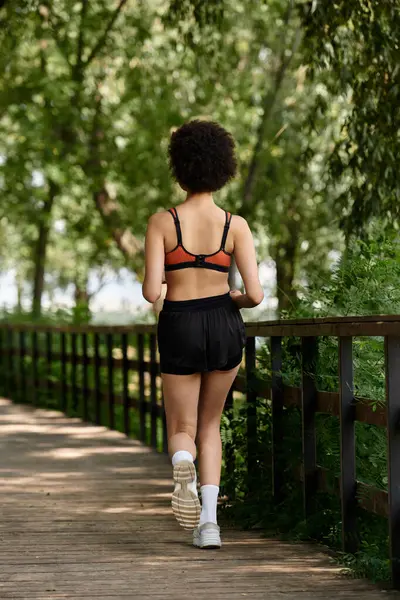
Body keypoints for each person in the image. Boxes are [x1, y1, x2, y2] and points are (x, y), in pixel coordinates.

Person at [142, 120, 263, 549]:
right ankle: (209, 525)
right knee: (211, 424)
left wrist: (168, 286)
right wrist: (233, 298)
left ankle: (182, 465)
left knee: (182, 424)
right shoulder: (236, 225)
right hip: (224, 321)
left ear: (180, 168)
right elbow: (256, 293)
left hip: (180, 322)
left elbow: (150, 291)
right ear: (223, 168)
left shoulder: (162, 222)